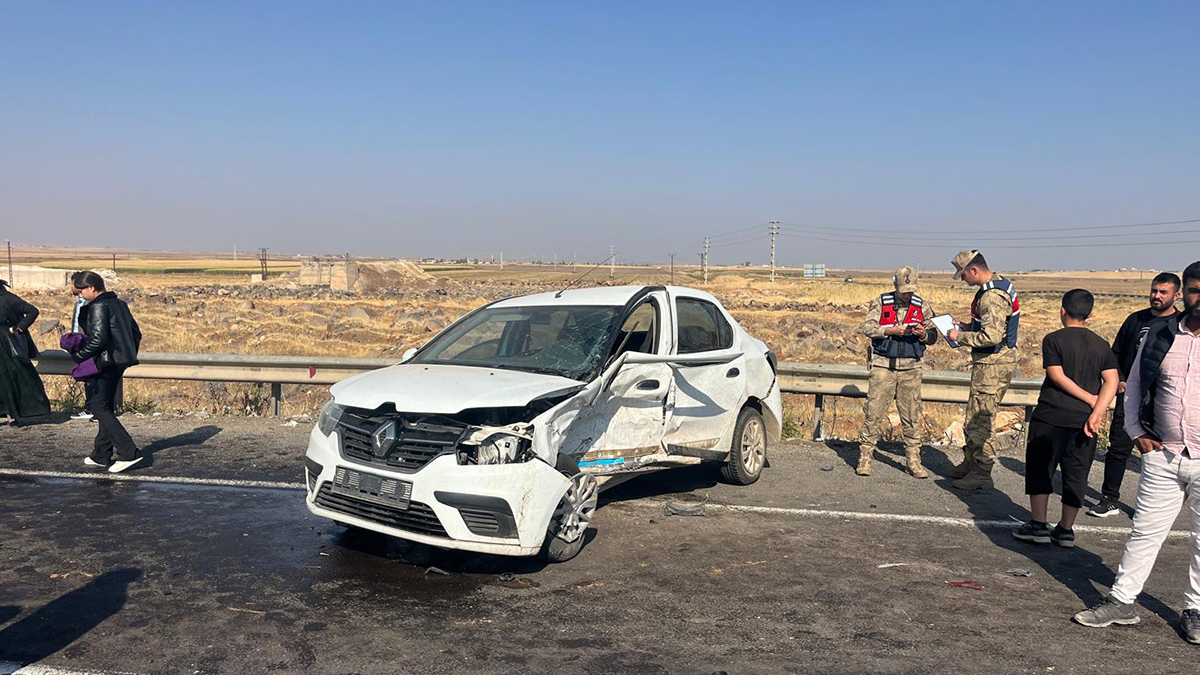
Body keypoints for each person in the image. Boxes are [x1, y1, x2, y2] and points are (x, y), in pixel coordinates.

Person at [1072, 260, 1200, 645]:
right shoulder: (1161, 334)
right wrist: (1133, 430)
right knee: (1144, 533)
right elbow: (1135, 381)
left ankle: (1194, 610)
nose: (1199, 298)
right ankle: (1122, 602)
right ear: (1186, 293)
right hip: (1163, 454)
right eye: (1195, 289)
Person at [1012, 289, 1118, 547]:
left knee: (1040, 468)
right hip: (1084, 421)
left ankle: (1038, 525)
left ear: (1062, 310)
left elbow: (1056, 375)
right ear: (1090, 314)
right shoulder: (1101, 344)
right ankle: (1066, 529)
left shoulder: (1053, 339)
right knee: (1077, 472)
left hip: (1051, 415)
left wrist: (1091, 400)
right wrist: (1097, 410)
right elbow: (1112, 380)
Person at [1088, 272, 1181, 517]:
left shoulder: (1181, 324)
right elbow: (1115, 354)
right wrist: (1118, 379)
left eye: (1163, 292)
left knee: (1157, 455)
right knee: (1118, 448)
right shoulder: (1135, 320)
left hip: (1164, 399)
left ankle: (1150, 507)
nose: (1157, 296)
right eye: (1154, 291)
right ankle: (1109, 499)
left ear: (1176, 295)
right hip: (1130, 397)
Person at [855, 265, 938, 478]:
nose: (908, 294)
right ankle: (865, 457)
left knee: (911, 416)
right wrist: (890, 330)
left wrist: (922, 334)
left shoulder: (922, 306)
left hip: (911, 368)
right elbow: (867, 328)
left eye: (911, 290)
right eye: (904, 290)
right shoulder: (882, 302)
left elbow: (934, 335)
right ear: (895, 285)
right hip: (884, 366)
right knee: (873, 414)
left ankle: (913, 461)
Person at [947, 250, 1020, 490]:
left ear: (974, 270)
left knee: (981, 418)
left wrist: (961, 335)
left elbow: (992, 335)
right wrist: (970, 326)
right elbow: (993, 326)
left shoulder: (991, 295)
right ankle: (971, 462)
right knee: (975, 414)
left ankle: (981, 472)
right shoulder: (998, 286)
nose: (962, 279)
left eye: (963, 274)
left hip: (993, 364)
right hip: (992, 363)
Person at [68, 272, 144, 473]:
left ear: (92, 287)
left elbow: (98, 339)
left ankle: (129, 452)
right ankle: (101, 455)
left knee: (98, 406)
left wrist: (79, 356)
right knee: (105, 407)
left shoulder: (98, 306)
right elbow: (136, 333)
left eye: (81, 290)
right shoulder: (119, 303)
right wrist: (125, 353)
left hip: (105, 363)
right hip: (119, 361)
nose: (80, 295)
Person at [0, 278, 52, 425]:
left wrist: (19, 328)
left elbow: (32, 311)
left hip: (7, 344)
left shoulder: (8, 298)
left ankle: (15, 414)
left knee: (13, 378)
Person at [69, 271, 94, 422]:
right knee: (87, 376)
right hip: (79, 342)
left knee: (92, 376)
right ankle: (90, 407)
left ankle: (94, 408)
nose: (70, 287)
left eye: (71, 284)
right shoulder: (78, 302)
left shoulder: (90, 303)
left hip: (88, 342)